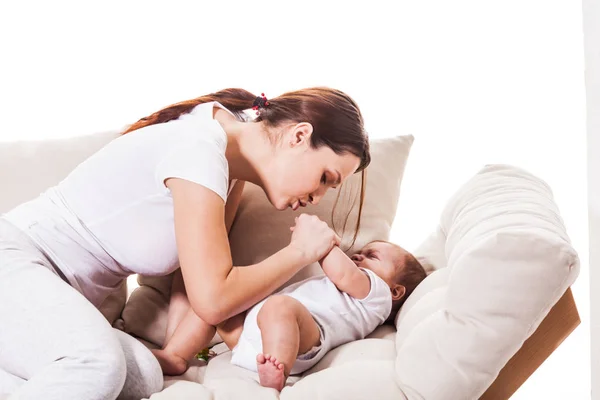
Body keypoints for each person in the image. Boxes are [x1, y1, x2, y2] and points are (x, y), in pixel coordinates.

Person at [0, 87, 370, 400]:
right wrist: (300, 252)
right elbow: (213, 298)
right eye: (325, 177)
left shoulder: (227, 159)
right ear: (299, 135)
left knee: (145, 373)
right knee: (96, 364)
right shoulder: (201, 151)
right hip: (15, 261)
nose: (317, 196)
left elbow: (200, 278)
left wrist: (177, 354)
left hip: (50, 297)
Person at [153, 240, 427, 391]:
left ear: (396, 291)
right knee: (215, 303)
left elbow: (342, 271)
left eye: (371, 256)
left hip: (301, 339)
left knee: (280, 306)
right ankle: (176, 356)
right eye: (359, 253)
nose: (357, 257)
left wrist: (323, 242)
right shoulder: (358, 284)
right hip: (252, 337)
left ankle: (277, 370)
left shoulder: (376, 294)